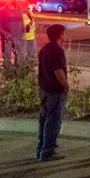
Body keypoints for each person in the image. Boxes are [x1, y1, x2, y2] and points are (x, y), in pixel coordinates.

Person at [37, 24, 69, 161]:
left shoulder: (44, 49)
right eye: (63, 33)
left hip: (44, 89)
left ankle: (41, 148)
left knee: (44, 120)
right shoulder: (57, 50)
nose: (64, 36)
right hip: (54, 91)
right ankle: (48, 151)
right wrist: (66, 85)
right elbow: (58, 71)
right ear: (60, 35)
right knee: (53, 121)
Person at [0, 0, 26, 71]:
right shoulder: (2, 10)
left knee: (19, 54)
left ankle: (18, 71)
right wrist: (5, 33)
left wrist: (23, 29)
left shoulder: (18, 9)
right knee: (7, 55)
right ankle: (7, 72)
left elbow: (22, 19)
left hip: (19, 36)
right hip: (8, 37)